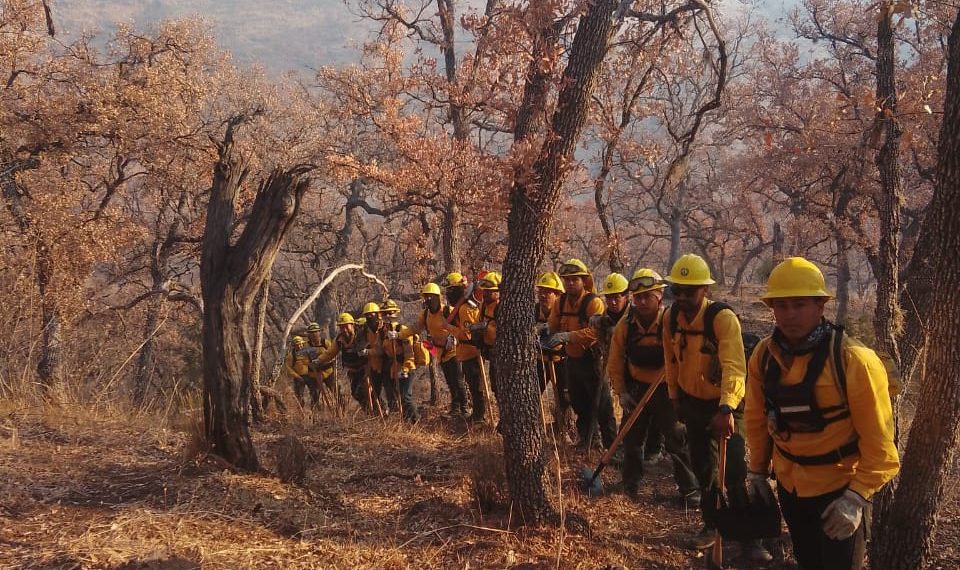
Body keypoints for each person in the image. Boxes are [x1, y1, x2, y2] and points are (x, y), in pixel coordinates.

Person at [744, 257, 899, 570]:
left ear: (820, 306)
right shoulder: (763, 355)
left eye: (799, 304)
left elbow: (881, 448)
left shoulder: (854, 361)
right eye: (781, 305)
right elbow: (758, 419)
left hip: (840, 492)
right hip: (791, 487)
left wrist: (857, 498)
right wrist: (757, 471)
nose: (790, 315)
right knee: (808, 562)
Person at [662, 253, 771, 562]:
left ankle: (750, 538)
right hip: (691, 402)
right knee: (704, 469)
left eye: (690, 290)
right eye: (677, 290)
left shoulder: (722, 319)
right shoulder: (670, 319)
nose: (682, 297)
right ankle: (712, 525)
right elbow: (671, 361)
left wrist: (725, 409)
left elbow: (736, 367)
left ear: (705, 290)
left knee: (734, 469)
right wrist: (674, 398)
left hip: (727, 403)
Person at [607, 269, 699, 505]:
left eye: (648, 295)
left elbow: (686, 354)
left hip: (668, 390)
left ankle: (690, 490)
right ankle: (630, 483)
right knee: (631, 439)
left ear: (659, 294)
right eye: (638, 297)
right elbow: (615, 361)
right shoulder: (626, 326)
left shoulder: (672, 322)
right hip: (636, 390)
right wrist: (622, 392)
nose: (643, 301)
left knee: (676, 439)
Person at [546, 259, 616, 451]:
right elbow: (552, 324)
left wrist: (568, 336)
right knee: (578, 402)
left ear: (583, 281)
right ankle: (587, 439)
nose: (570, 283)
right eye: (567, 280)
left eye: (574, 280)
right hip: (571, 362)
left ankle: (612, 446)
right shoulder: (560, 302)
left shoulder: (593, 302)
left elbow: (596, 333)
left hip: (593, 361)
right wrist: (543, 330)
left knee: (601, 404)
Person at [401, 283, 470, 417]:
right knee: (450, 381)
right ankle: (455, 409)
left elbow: (460, 328)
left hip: (454, 350)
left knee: (458, 381)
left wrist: (454, 337)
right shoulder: (425, 314)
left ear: (438, 297)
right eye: (426, 297)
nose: (428, 300)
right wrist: (399, 335)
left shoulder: (447, 311)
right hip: (439, 352)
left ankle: (465, 408)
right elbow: (415, 329)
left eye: (431, 297)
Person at [444, 272, 487, 423]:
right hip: (465, 353)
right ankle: (476, 414)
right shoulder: (459, 308)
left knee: (477, 387)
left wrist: (449, 329)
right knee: (472, 385)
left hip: (473, 352)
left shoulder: (466, 309)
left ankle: (480, 418)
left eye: (451, 290)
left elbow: (467, 335)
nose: (449, 294)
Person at [314, 312, 374, 412]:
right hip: (354, 371)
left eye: (346, 326)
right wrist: (318, 361)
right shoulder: (339, 340)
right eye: (341, 327)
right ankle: (369, 413)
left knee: (367, 391)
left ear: (353, 325)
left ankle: (381, 412)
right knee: (356, 393)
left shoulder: (363, 335)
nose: (344, 330)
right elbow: (330, 353)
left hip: (367, 369)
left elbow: (374, 349)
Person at [381, 299, 420, 423]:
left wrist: (405, 369)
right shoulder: (383, 333)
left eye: (390, 312)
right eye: (385, 313)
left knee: (405, 397)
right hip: (393, 369)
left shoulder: (403, 330)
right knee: (395, 398)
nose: (388, 316)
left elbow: (409, 353)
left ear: (396, 313)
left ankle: (415, 420)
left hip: (406, 368)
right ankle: (405, 422)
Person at [468, 271, 501, 402]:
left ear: (498, 291)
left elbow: (503, 334)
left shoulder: (501, 307)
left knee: (501, 387)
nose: (485, 294)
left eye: (489, 291)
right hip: (489, 351)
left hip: (501, 353)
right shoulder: (483, 306)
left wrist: (486, 328)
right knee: (495, 387)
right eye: (485, 291)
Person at [305, 321, 336, 398]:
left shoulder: (326, 343)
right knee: (314, 395)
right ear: (308, 334)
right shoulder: (306, 346)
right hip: (314, 375)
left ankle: (342, 408)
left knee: (335, 391)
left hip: (328, 372)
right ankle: (316, 409)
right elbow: (303, 360)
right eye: (311, 333)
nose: (314, 334)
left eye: (316, 332)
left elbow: (333, 355)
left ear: (319, 332)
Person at [285, 335, 316, 409]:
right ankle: (301, 411)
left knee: (315, 393)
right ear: (294, 346)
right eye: (297, 345)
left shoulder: (308, 352)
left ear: (303, 344)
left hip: (310, 376)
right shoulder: (291, 355)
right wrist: (297, 376)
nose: (299, 346)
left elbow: (314, 361)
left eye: (300, 344)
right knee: (299, 395)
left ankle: (314, 409)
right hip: (298, 377)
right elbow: (288, 368)